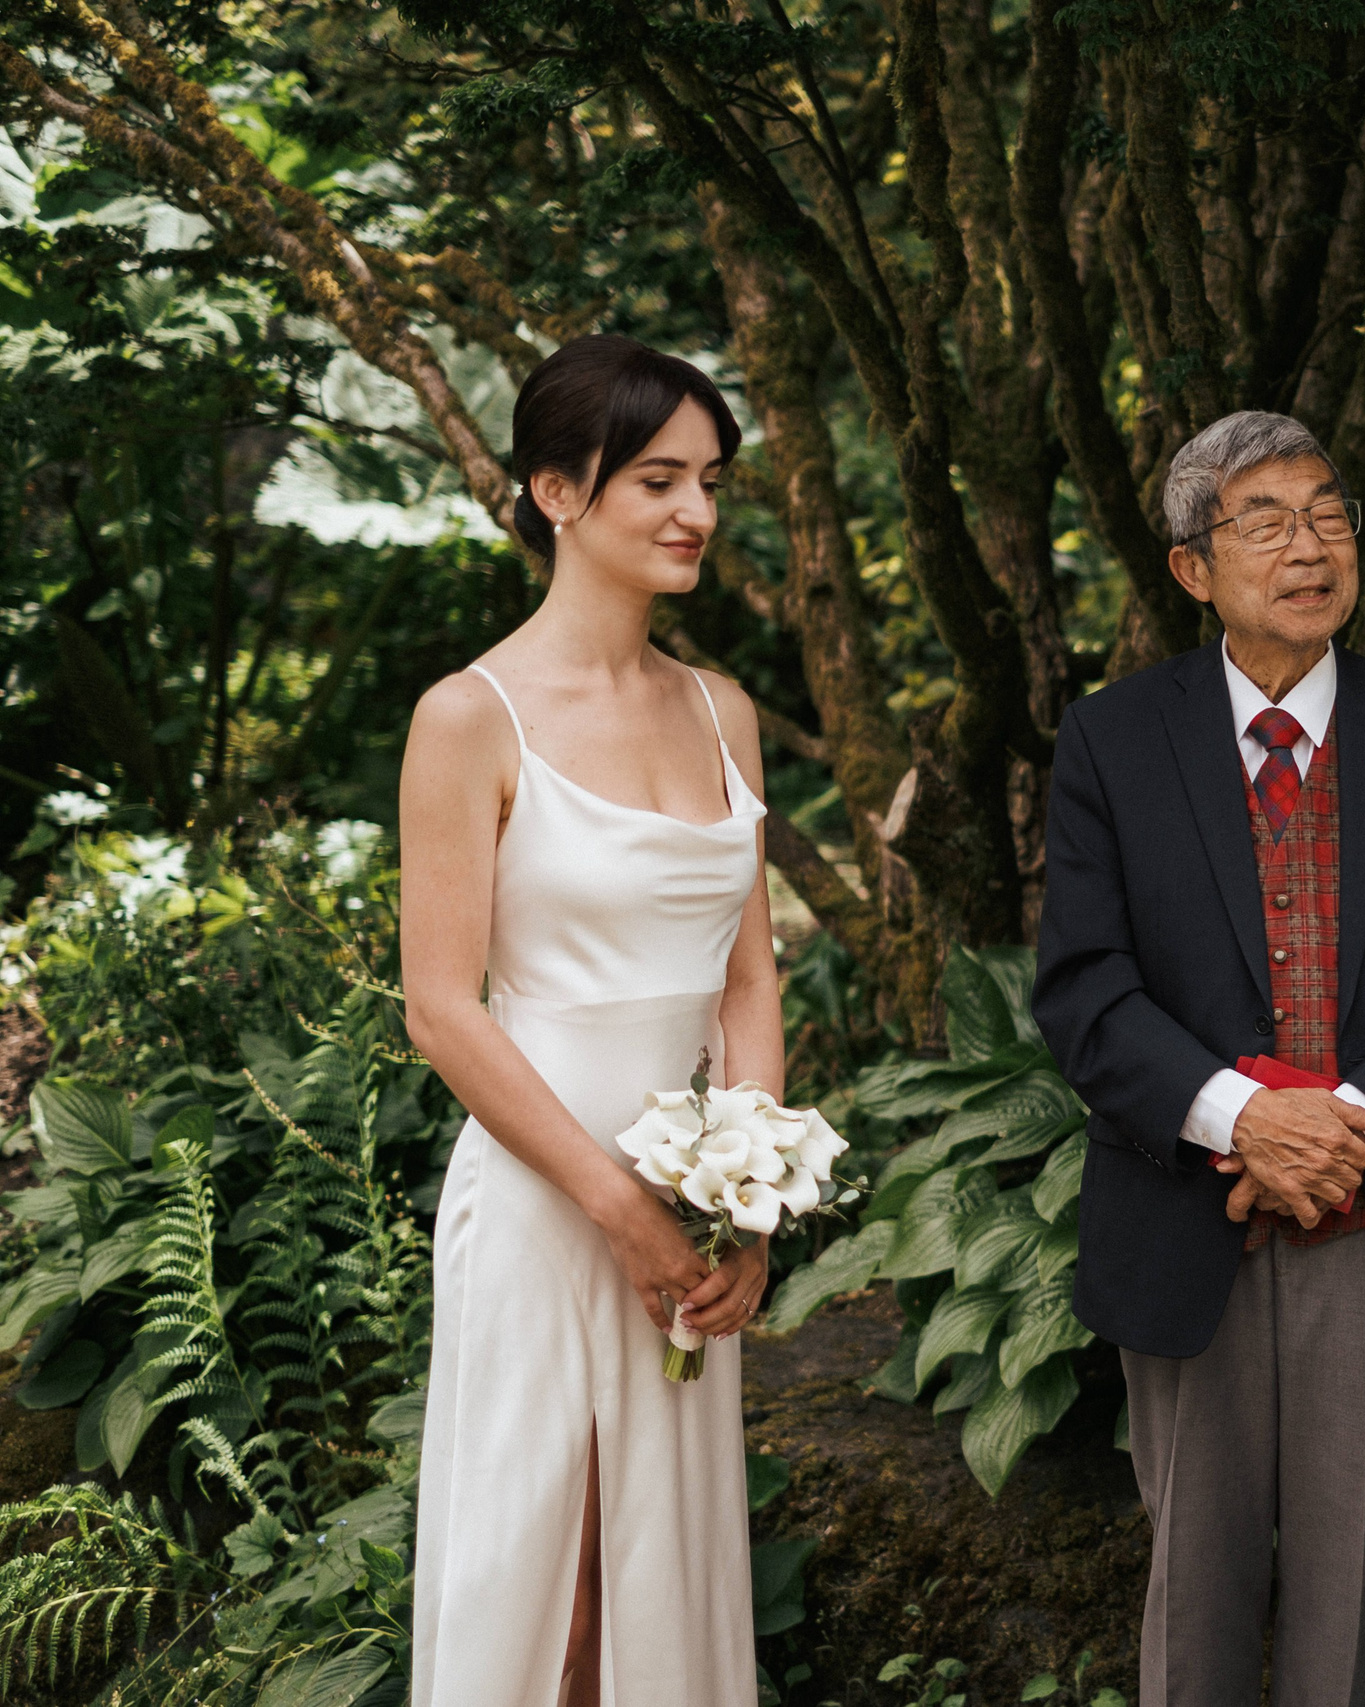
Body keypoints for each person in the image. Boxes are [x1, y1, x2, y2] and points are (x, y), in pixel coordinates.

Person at [1032, 412, 1365, 1706]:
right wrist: (1243, 1121)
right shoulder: (1113, 743)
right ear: (1190, 566)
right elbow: (1085, 987)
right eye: (1265, 519)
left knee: (1349, 1591)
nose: (1308, 544)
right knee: (1193, 1598)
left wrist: (1343, 1126)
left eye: (1328, 513)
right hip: (1188, 1212)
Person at [401, 335, 772, 1707]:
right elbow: (441, 1009)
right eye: (658, 478)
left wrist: (752, 1208)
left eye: (711, 480)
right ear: (558, 491)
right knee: (547, 1598)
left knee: (656, 1586)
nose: (696, 513)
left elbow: (746, 984)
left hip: (692, 1205)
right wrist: (620, 1207)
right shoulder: (467, 718)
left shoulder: (724, 711)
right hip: (550, 1205)